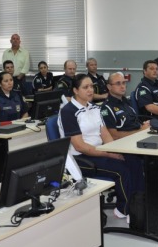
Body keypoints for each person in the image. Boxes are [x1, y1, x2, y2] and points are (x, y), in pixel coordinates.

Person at [59, 74, 144, 219]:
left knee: (133, 161)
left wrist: (115, 151)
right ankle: (124, 209)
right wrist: (109, 154)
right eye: (85, 87)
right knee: (122, 171)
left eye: (91, 86)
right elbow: (80, 147)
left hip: (99, 152)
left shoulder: (94, 108)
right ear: (75, 90)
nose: (90, 90)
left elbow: (105, 135)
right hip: (80, 159)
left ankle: (139, 205)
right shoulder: (68, 112)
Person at [100, 72, 150, 139]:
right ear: (109, 87)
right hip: (125, 143)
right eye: (118, 83)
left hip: (138, 136)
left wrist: (144, 126)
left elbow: (135, 122)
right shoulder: (106, 108)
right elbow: (113, 135)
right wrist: (140, 131)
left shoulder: (126, 101)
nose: (122, 86)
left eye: (124, 83)